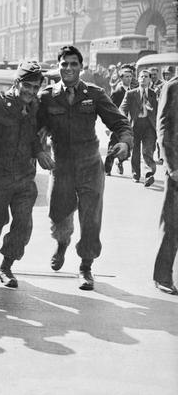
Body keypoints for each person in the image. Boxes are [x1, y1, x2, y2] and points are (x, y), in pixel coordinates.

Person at [37, 45, 133, 290]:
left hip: (90, 165)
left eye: (73, 64)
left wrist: (123, 142)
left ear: (81, 67)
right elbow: (32, 129)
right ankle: (62, 244)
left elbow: (119, 122)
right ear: (58, 67)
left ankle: (85, 267)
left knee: (91, 219)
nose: (68, 68)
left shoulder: (95, 94)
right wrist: (39, 150)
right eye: (64, 64)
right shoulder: (47, 96)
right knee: (58, 215)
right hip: (62, 166)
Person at [0, 61, 51, 288]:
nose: (31, 92)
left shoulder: (34, 106)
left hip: (24, 175)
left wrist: (39, 152)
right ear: (17, 82)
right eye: (27, 86)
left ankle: (7, 266)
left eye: (35, 87)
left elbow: (31, 135)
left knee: (23, 222)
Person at [154, 74, 178, 294]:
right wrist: (172, 167)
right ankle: (163, 276)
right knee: (172, 225)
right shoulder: (172, 87)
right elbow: (163, 130)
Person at [120, 69, 158, 187]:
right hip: (135, 126)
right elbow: (123, 108)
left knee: (147, 150)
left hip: (149, 126)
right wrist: (123, 122)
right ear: (138, 78)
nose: (143, 79)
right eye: (141, 77)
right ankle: (136, 174)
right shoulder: (131, 93)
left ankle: (148, 174)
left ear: (150, 79)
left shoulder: (153, 94)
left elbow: (159, 109)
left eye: (146, 77)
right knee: (135, 151)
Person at [105, 65, 134, 175]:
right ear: (121, 78)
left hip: (130, 124)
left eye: (130, 76)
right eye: (126, 76)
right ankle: (107, 169)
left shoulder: (134, 91)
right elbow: (109, 109)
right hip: (118, 124)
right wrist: (109, 126)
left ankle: (120, 162)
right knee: (113, 146)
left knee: (127, 147)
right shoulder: (117, 92)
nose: (129, 79)